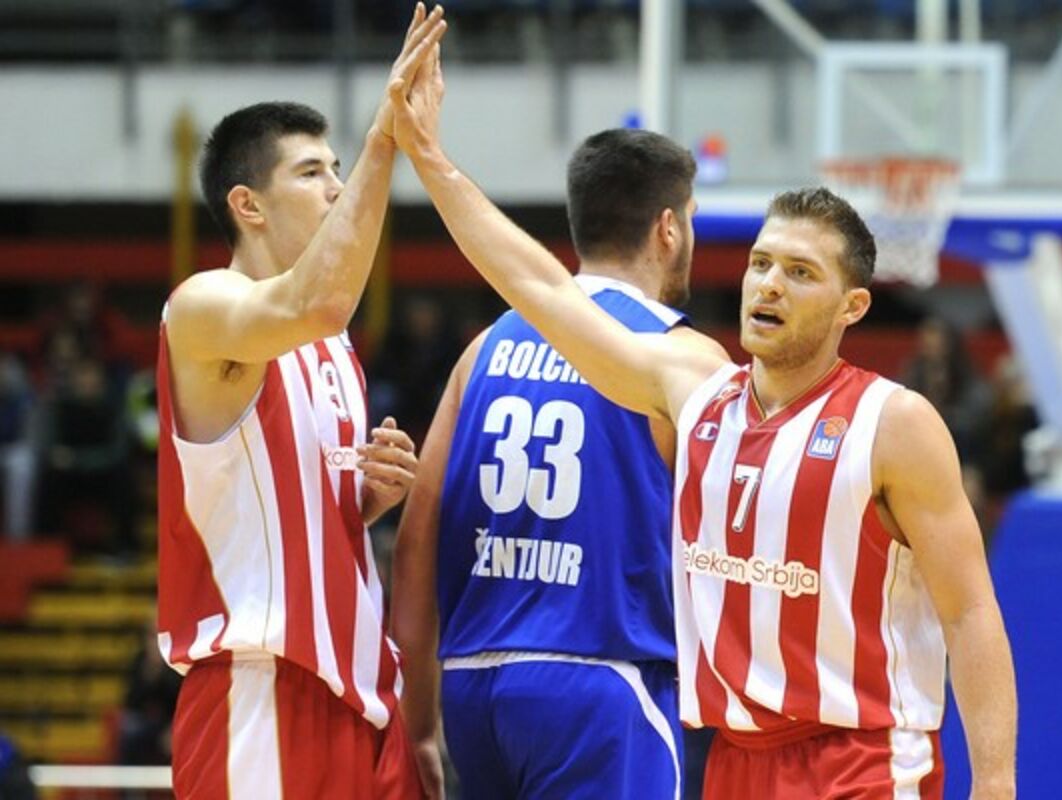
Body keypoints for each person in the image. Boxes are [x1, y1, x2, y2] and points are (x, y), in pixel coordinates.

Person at [389, 49, 1016, 799]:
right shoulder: (695, 394)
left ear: (852, 307)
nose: (770, 285)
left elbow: (969, 610)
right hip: (734, 760)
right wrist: (428, 157)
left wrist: (996, 782)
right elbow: (541, 289)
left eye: (800, 273)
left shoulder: (895, 422)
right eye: (761, 263)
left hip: (860, 759)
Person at [155, 6, 446, 798]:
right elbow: (316, 301)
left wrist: (364, 500)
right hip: (261, 689)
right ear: (248, 205)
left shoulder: (333, 345)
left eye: (338, 166)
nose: (338, 186)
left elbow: (286, 516)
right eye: (312, 172)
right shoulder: (203, 306)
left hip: (361, 688)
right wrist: (387, 137)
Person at [390, 128, 728, 799]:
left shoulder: (483, 350)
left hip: (474, 689)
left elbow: (414, 542)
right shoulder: (682, 358)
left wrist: (419, 724)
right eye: (690, 218)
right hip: (600, 680)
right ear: (668, 228)